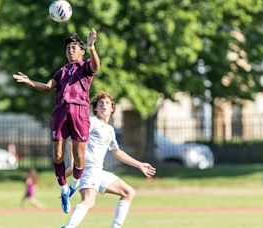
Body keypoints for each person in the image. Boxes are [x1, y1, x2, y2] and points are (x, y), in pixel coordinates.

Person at [13, 28, 101, 213]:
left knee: (79, 156)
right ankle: (63, 189)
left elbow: (96, 65)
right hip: (61, 110)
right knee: (58, 154)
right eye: (68, 48)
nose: (70, 50)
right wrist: (30, 82)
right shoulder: (61, 71)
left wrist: (92, 46)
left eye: (74, 47)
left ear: (81, 51)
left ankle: (75, 183)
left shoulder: (85, 66)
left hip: (80, 111)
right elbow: (46, 87)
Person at [62, 91, 156, 228]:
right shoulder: (91, 122)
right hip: (88, 169)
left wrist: (139, 165)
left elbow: (117, 153)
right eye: (100, 103)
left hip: (98, 172)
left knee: (128, 192)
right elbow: (72, 140)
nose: (104, 105)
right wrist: (73, 164)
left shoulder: (110, 130)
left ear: (112, 108)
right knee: (88, 201)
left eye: (107, 103)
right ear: (95, 108)